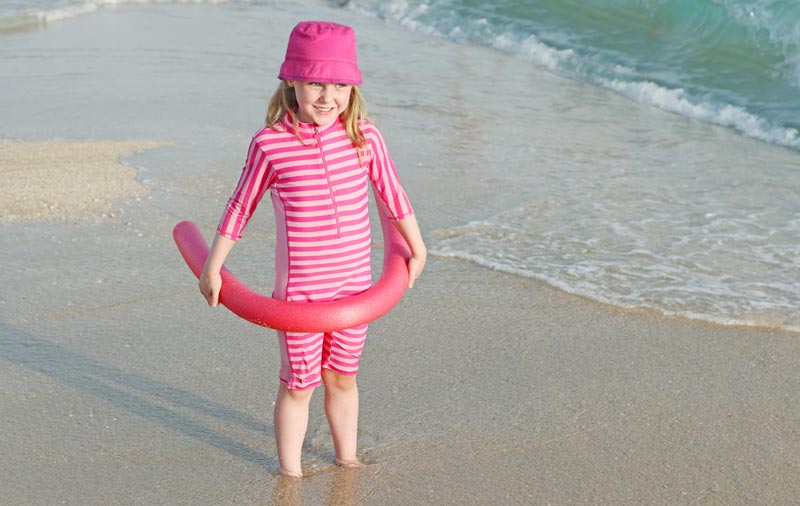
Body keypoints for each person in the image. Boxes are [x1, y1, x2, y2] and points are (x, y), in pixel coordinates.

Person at [198, 20, 426, 478]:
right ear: (291, 82)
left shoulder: (365, 137)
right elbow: (241, 205)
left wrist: (418, 250)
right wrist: (212, 268)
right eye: (315, 82)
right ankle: (291, 473)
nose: (327, 95)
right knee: (300, 383)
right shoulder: (271, 145)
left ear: (353, 87)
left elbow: (393, 195)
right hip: (301, 295)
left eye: (339, 83)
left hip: (355, 292)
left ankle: (347, 458)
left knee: (343, 377)